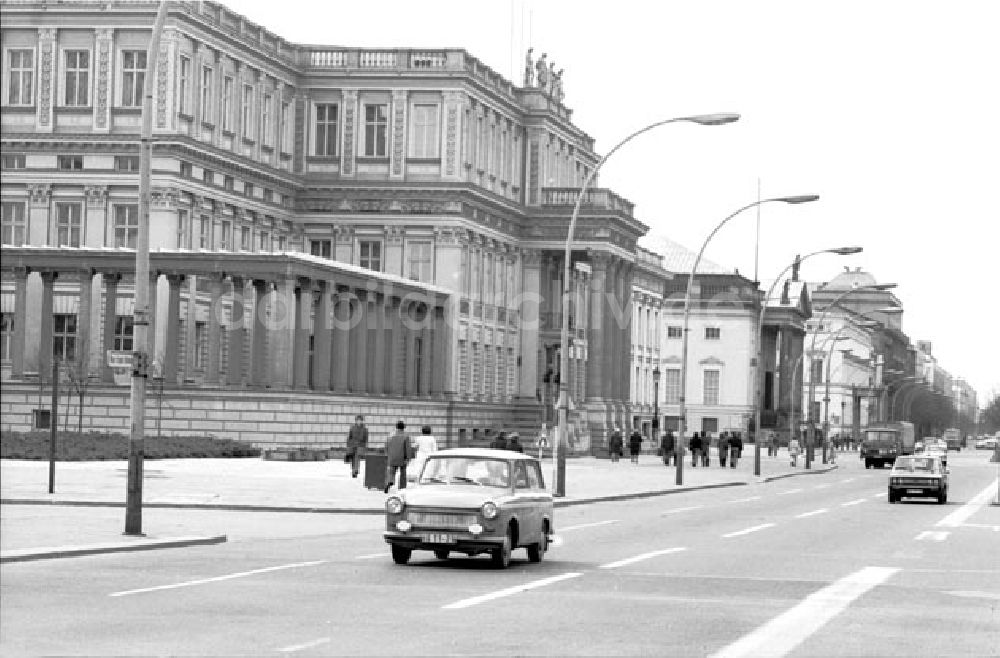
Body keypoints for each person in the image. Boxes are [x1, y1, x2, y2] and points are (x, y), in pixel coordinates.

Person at [385, 420, 414, 493]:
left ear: (396, 427)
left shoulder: (390, 435)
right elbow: (408, 448)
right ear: (404, 427)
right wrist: (408, 458)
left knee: (391, 472)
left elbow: (386, 446)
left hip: (392, 457)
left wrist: (388, 455)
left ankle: (389, 481)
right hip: (402, 458)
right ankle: (402, 488)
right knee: (403, 473)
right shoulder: (406, 436)